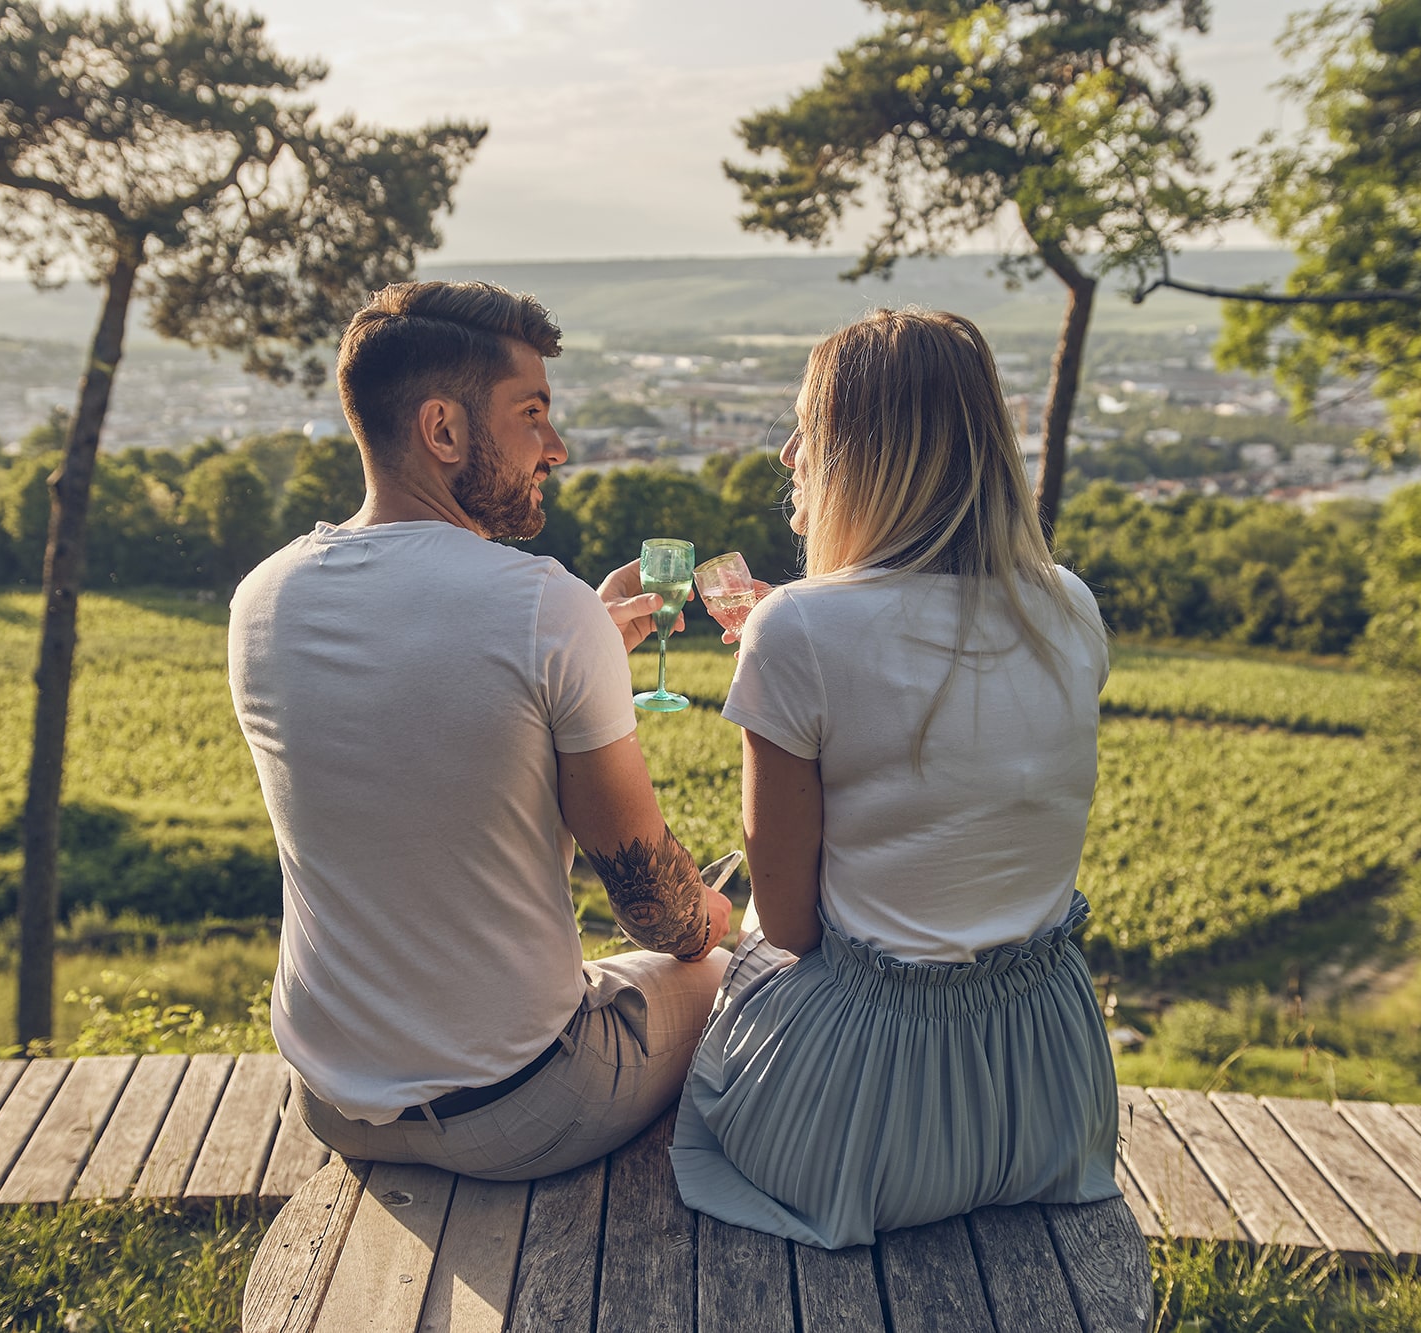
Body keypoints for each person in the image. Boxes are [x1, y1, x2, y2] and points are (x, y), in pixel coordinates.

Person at [228, 280, 732, 1181]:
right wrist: (716, 926)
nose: (558, 448)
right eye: (532, 414)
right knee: (728, 966)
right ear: (444, 429)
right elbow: (654, 909)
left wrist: (585, 649)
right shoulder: (543, 606)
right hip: (522, 1108)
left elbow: (429, 706)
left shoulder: (261, 599)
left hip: (332, 1099)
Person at [671, 308, 1120, 1248]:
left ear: (868, 456)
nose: (789, 452)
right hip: (1048, 1094)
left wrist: (783, 649)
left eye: (810, 428)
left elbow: (791, 926)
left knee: (704, 971)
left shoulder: (794, 629)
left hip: (866, 1119)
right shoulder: (1069, 606)